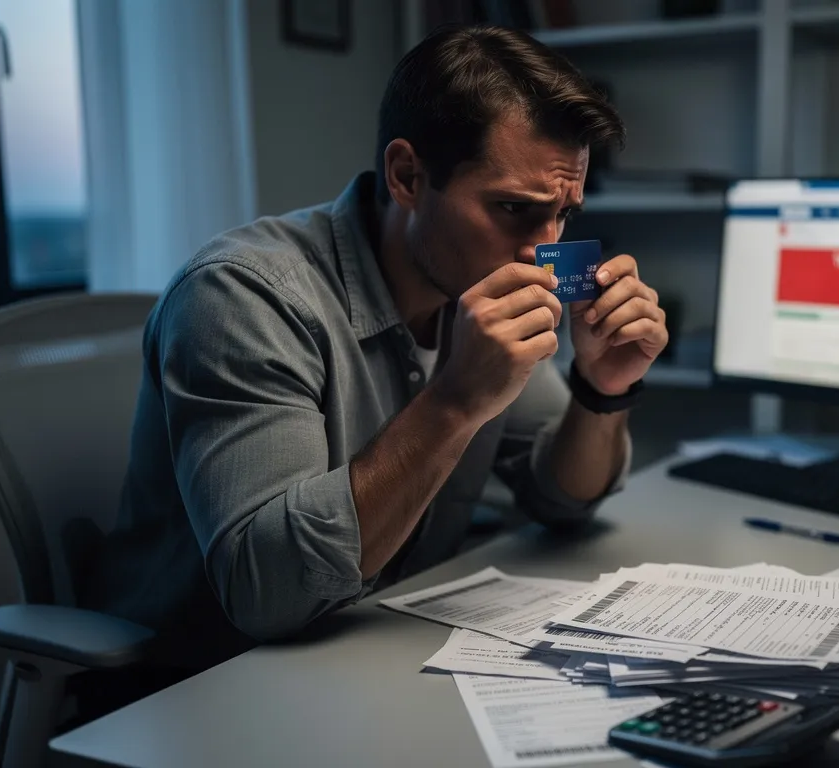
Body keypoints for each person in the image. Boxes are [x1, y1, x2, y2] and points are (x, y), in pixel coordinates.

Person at [77, 24, 668, 707]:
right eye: (513, 208)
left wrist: (601, 390)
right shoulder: (242, 297)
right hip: (198, 694)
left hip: (373, 665)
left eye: (563, 214)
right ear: (407, 176)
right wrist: (455, 402)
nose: (544, 250)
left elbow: (562, 498)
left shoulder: (473, 287)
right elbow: (268, 594)